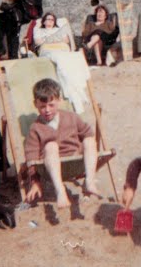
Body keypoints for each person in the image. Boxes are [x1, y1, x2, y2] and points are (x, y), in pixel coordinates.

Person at [21, 78, 102, 216]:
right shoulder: (36, 128)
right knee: (51, 145)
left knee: (89, 140)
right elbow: (31, 157)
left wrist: (85, 145)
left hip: (76, 161)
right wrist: (35, 182)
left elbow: (88, 133)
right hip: (50, 166)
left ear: (59, 101)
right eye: (42, 106)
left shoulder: (72, 117)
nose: (47, 110)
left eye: (51, 105)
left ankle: (89, 181)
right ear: (35, 104)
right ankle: (60, 191)